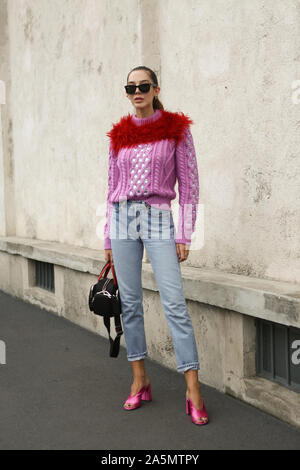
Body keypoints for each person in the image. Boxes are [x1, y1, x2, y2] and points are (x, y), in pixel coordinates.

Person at [103, 66, 208, 425]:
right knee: (130, 304)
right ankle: (139, 379)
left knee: (174, 302)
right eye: (130, 86)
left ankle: (193, 388)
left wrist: (186, 233)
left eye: (143, 86)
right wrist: (107, 235)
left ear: (155, 88)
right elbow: (110, 186)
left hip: (158, 216)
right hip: (121, 219)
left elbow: (190, 184)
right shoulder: (119, 135)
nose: (137, 91)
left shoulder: (176, 130)